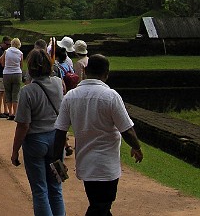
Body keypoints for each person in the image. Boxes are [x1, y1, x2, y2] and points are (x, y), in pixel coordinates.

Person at [54, 54, 143, 216]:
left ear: (85, 71)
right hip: (106, 166)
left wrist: (57, 160)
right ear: (106, 73)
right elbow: (127, 130)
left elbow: (60, 132)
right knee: (101, 207)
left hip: (86, 164)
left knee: (99, 205)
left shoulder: (71, 96)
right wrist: (136, 147)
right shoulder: (110, 96)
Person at [11, 49, 65, 216]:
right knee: (55, 187)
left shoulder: (27, 91)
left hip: (36, 140)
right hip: (56, 139)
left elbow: (23, 125)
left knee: (40, 189)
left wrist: (15, 151)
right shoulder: (58, 83)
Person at [0, 37, 23, 120]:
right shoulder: (20, 53)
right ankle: (15, 113)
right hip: (17, 73)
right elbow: (21, 65)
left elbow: (2, 63)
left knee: (8, 92)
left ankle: (10, 112)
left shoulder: (6, 52)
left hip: (7, 73)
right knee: (15, 93)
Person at [0, 36, 11, 118]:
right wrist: (4, 55)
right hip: (1, 73)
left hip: (6, 73)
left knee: (5, 92)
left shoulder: (7, 50)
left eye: (9, 44)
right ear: (3, 43)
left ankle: (5, 110)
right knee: (1, 92)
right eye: (7, 44)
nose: (8, 46)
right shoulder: (0, 50)